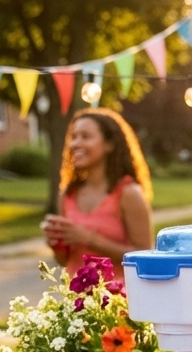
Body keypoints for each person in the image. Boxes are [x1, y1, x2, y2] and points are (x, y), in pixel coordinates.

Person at [42, 108, 153, 277]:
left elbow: (145, 257)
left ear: (110, 144)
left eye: (85, 137)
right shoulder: (68, 194)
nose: (75, 144)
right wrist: (56, 245)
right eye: (74, 137)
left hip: (118, 299)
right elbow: (65, 260)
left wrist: (89, 238)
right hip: (77, 300)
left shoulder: (128, 193)